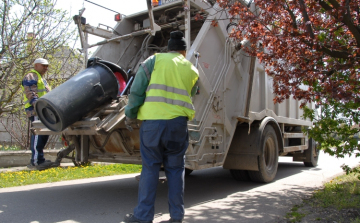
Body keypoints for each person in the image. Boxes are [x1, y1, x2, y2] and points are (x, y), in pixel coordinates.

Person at [122, 31, 199, 223]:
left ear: (168, 48)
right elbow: (195, 91)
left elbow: (137, 90)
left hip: (153, 126)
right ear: (183, 51)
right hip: (178, 126)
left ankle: (143, 217)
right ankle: (177, 216)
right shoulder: (191, 68)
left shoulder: (153, 61)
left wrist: (130, 114)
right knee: (175, 170)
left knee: (150, 169)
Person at [22, 58, 55, 170]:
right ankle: (36, 162)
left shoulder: (41, 79)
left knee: (43, 134)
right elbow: (31, 93)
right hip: (36, 110)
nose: (46, 68)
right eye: (43, 65)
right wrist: (38, 106)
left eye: (47, 66)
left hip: (43, 111)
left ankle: (40, 159)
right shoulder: (31, 76)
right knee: (38, 135)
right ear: (36, 65)